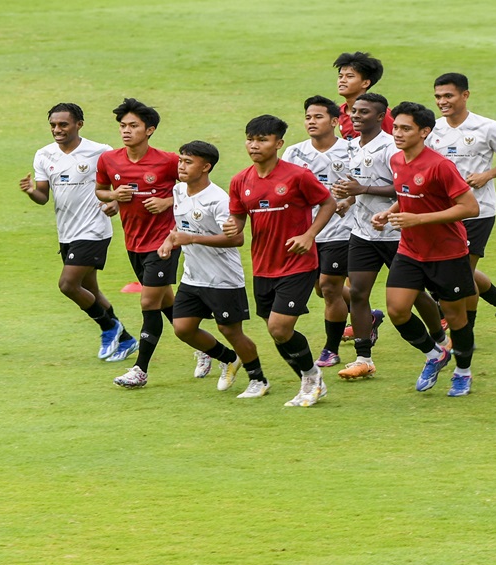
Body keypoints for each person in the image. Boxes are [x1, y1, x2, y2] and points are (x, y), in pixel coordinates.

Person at [226, 115, 337, 407]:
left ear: (279, 143)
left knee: (279, 328)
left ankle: (312, 379)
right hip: (263, 265)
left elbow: (328, 202)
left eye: (262, 139)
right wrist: (234, 226)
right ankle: (310, 381)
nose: (254, 145)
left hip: (297, 263)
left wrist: (310, 235)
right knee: (276, 331)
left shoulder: (297, 176)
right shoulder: (240, 181)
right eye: (250, 139)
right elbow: (238, 214)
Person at [372, 101, 481, 396]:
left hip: (447, 252)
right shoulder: (396, 160)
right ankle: (435, 354)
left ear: (424, 132)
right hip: (410, 250)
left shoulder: (440, 166)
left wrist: (418, 218)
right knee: (396, 310)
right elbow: (409, 194)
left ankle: (463, 372)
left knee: (457, 318)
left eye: (406, 128)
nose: (398, 133)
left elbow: (470, 207)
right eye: (395, 127)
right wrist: (390, 211)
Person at [333, 93, 443, 381]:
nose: (356, 116)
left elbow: (402, 190)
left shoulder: (390, 149)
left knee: (414, 294)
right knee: (357, 293)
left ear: (381, 117)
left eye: (364, 112)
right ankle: (363, 358)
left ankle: (441, 341)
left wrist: (362, 191)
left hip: (396, 233)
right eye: (354, 111)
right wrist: (348, 201)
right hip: (362, 233)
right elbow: (357, 184)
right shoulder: (352, 145)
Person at [21, 102, 135, 362]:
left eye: (63, 124)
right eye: (53, 125)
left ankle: (109, 328)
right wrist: (31, 191)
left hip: (94, 229)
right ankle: (126, 339)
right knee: (90, 288)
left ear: (78, 124)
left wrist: (115, 201)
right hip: (66, 233)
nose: (57, 129)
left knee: (68, 284)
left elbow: (121, 181)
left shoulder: (100, 152)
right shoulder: (44, 155)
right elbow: (42, 197)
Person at [158, 141, 270, 398]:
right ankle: (229, 359)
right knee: (183, 328)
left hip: (222, 278)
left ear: (205, 167)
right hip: (193, 276)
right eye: (181, 160)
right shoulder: (178, 191)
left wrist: (192, 239)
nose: (181, 166)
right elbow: (180, 226)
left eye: (188, 162)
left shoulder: (219, 200)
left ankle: (258, 379)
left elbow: (237, 239)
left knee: (230, 330)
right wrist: (169, 240)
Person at [427, 72, 496, 338]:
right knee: (453, 271)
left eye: (448, 95)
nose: (442, 101)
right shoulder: (432, 129)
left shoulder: (487, 127)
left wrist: (487, 174)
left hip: (477, 210)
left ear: (465, 95)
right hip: (442, 213)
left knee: (461, 275)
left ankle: (464, 334)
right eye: (438, 96)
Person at [95, 98, 179, 388]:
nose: (126, 131)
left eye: (133, 126)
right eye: (122, 126)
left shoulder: (168, 161)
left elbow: (196, 187)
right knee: (166, 302)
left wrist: (168, 200)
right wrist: (113, 197)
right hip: (133, 242)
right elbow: (100, 191)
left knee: (148, 302)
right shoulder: (109, 160)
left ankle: (140, 370)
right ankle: (209, 349)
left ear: (150, 130)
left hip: (164, 241)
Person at [283, 95, 353, 368]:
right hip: (305, 233)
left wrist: (348, 201)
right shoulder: (294, 153)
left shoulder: (351, 151)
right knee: (320, 289)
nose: (312, 121)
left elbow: (362, 187)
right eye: (308, 117)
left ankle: (331, 349)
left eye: (319, 116)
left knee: (329, 286)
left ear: (335, 121)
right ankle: (365, 314)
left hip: (341, 230)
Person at [333, 51, 393, 140]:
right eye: (340, 76)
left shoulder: (380, 113)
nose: (342, 80)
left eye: (349, 76)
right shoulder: (340, 112)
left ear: (365, 83)